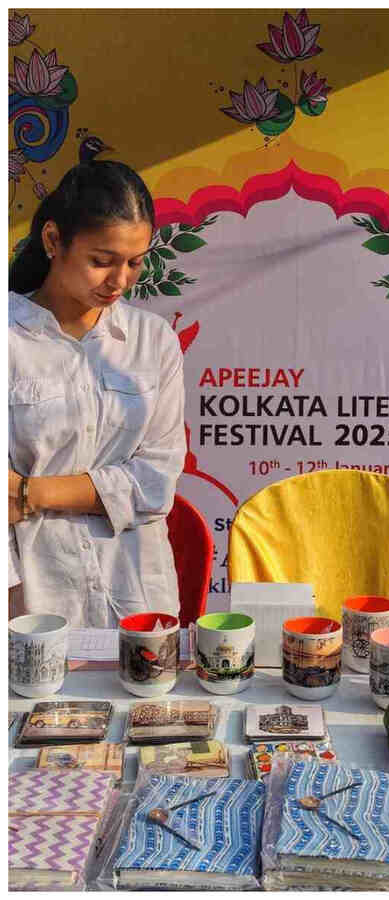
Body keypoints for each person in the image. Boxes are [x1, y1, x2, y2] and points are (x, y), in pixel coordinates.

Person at [9, 160, 186, 627]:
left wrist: (33, 492)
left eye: (135, 261)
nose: (120, 280)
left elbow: (156, 480)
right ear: (52, 241)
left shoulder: (153, 342)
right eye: (101, 261)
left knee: (146, 701)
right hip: (34, 600)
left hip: (138, 595)